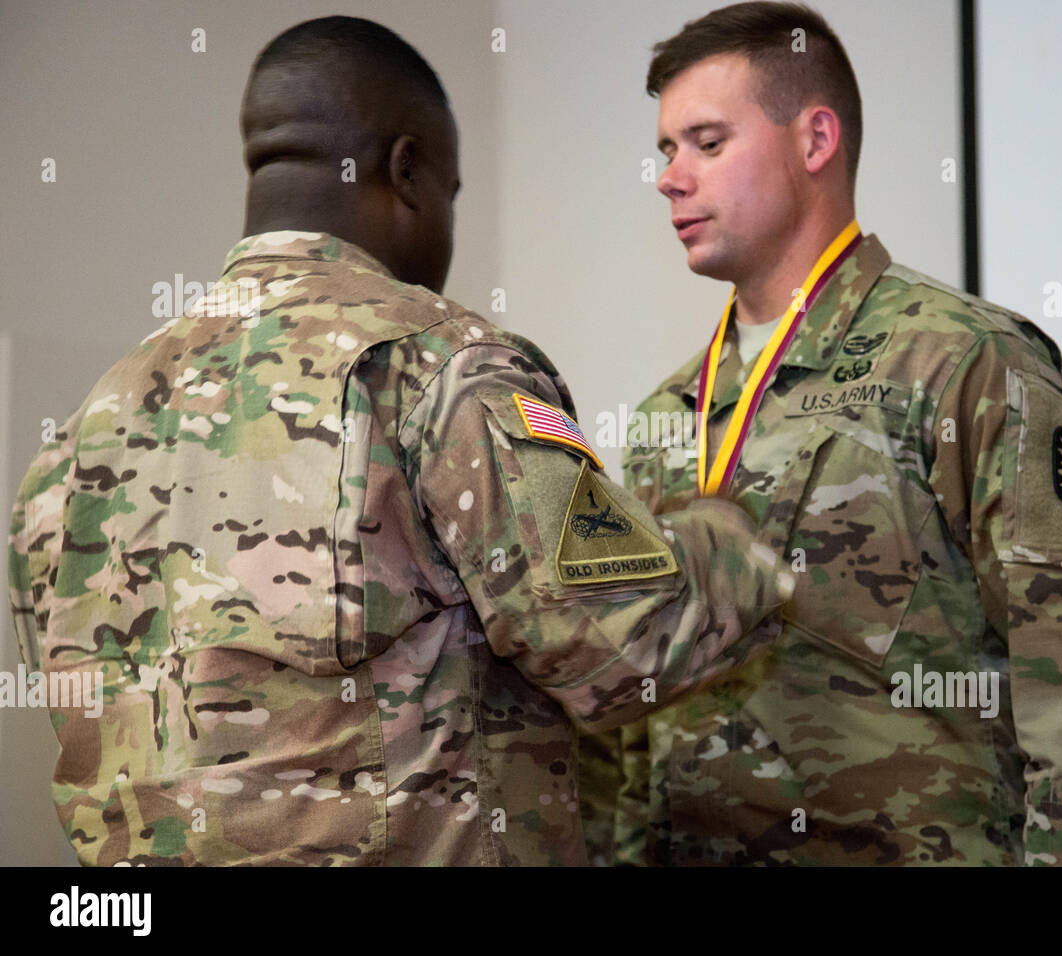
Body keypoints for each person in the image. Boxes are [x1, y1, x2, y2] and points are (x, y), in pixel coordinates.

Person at [5, 15, 794, 867]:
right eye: (451, 194)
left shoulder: (79, 434)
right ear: (407, 170)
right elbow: (619, 638)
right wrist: (740, 544)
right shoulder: (436, 365)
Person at [578, 1, 1062, 866]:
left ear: (815, 140)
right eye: (666, 150)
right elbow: (633, 720)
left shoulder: (965, 363)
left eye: (707, 143)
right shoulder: (662, 420)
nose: (670, 177)